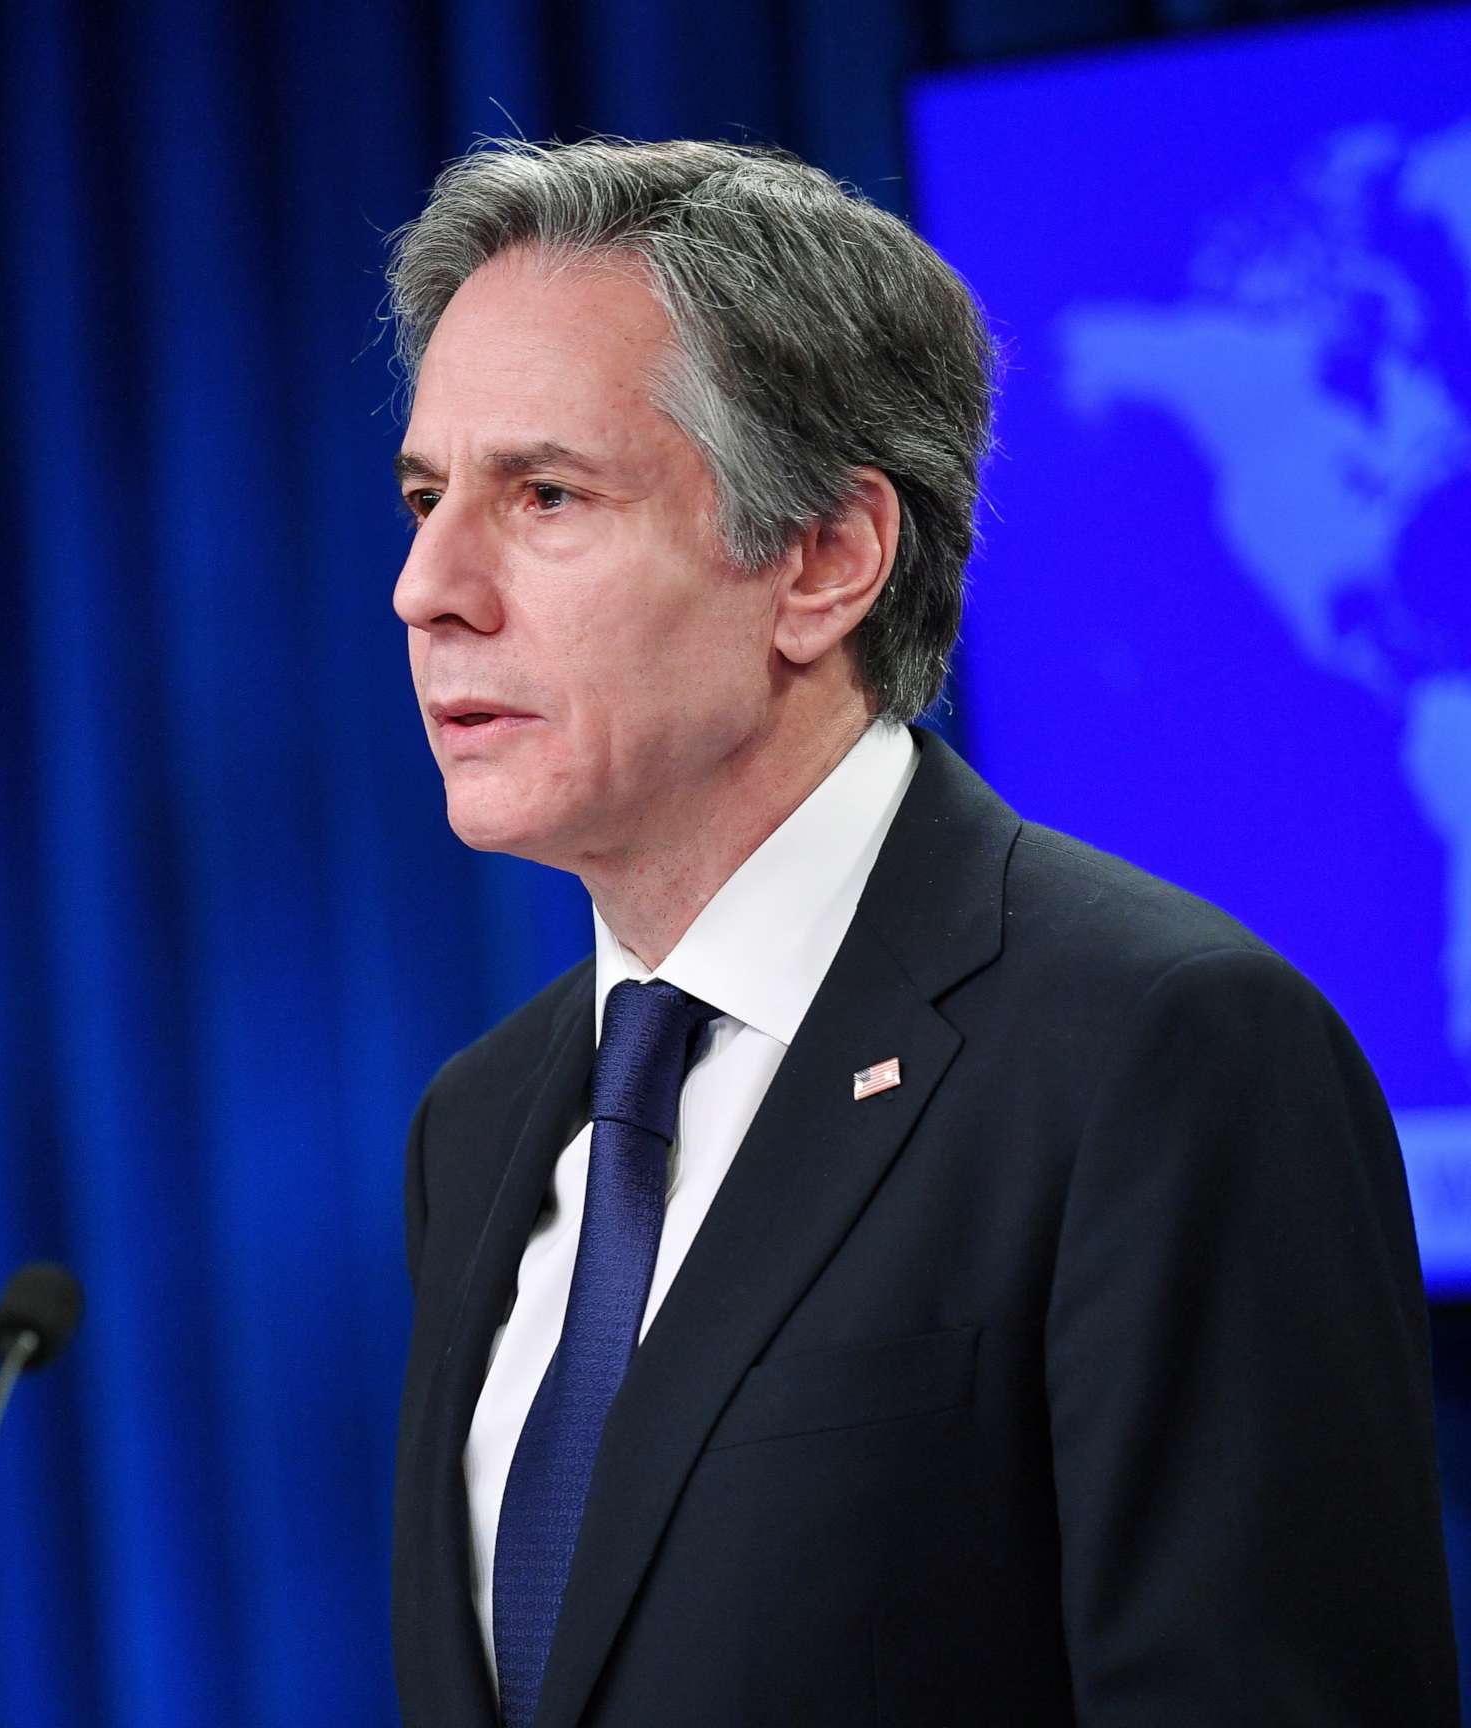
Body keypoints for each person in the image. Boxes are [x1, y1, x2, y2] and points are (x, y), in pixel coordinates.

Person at [383, 138, 1455, 1726]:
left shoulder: (1161, 1056)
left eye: (544, 495)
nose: (427, 586)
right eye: (424, 496)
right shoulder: (476, 1127)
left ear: (824, 560)